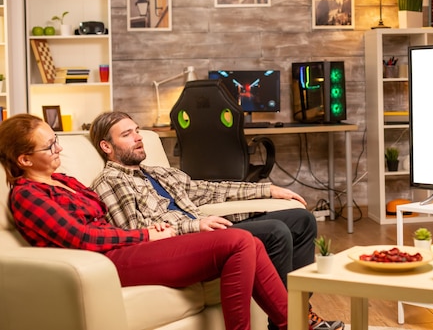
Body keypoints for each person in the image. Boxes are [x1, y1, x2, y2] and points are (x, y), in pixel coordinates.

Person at [0, 114, 288, 330]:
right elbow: (83, 238)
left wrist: (153, 230)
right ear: (24, 160)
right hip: (105, 262)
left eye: (56, 140)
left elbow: (105, 222)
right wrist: (145, 235)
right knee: (237, 240)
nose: (58, 149)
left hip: (125, 248)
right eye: (49, 146)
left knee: (249, 241)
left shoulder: (63, 180)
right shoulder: (28, 196)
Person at [89, 111, 344, 330]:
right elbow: (136, 233)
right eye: (126, 134)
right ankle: (290, 322)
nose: (138, 137)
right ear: (106, 147)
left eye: (136, 131)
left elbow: (209, 190)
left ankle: (301, 312)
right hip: (187, 242)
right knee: (276, 231)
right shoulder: (110, 181)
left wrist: (267, 189)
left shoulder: (159, 173)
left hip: (210, 228)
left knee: (302, 219)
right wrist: (192, 225)